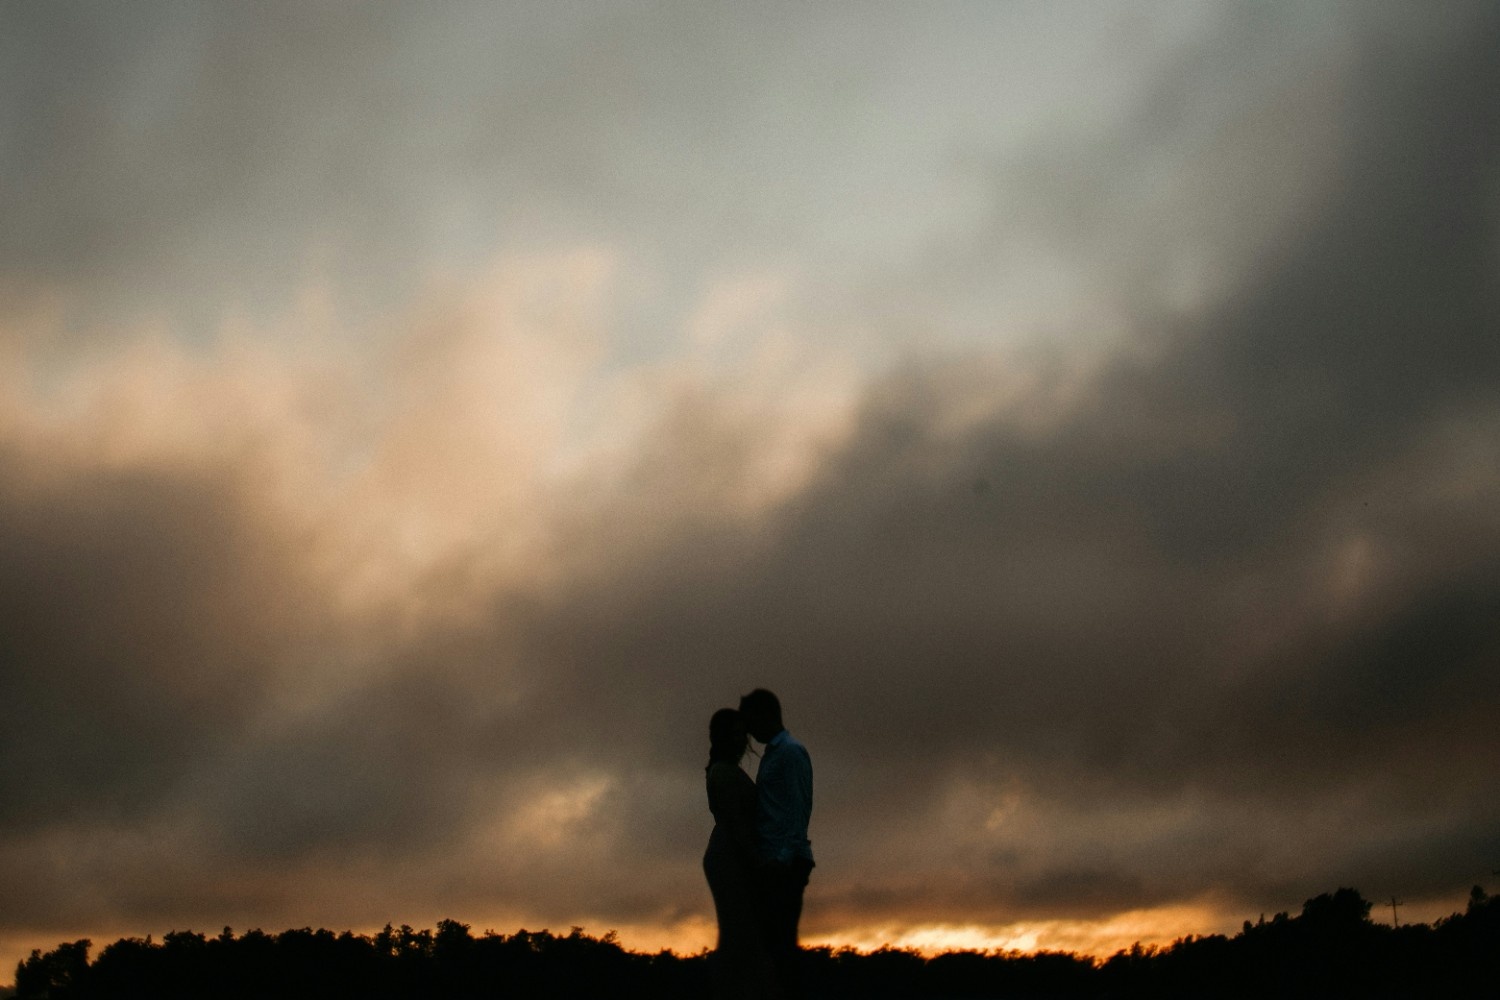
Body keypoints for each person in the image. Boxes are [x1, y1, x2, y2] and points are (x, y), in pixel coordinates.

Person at [738, 689, 814, 1000]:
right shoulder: (774, 752)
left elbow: (798, 809)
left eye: (750, 720)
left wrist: (781, 859)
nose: (748, 730)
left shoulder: (790, 753)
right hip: (775, 860)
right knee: (773, 948)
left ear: (765, 715)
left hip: (784, 863)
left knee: (781, 949)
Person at [703, 708, 775, 999]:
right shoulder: (722, 772)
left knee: (743, 936)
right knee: (740, 935)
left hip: (734, 856)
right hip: (730, 858)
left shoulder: (729, 771)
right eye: (732, 734)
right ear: (719, 738)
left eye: (741, 733)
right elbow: (735, 823)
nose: (739, 740)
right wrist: (757, 861)